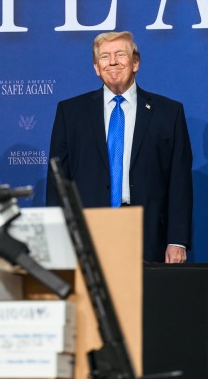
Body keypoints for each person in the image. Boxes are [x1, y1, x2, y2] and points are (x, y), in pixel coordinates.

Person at [46, 30, 193, 263]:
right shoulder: (70, 113)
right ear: (97, 67)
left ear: (135, 63)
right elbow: (58, 181)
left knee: (147, 289)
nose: (112, 61)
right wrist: (57, 237)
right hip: (87, 232)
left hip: (148, 232)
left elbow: (179, 181)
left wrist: (177, 240)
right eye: (104, 57)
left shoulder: (168, 113)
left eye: (120, 54)